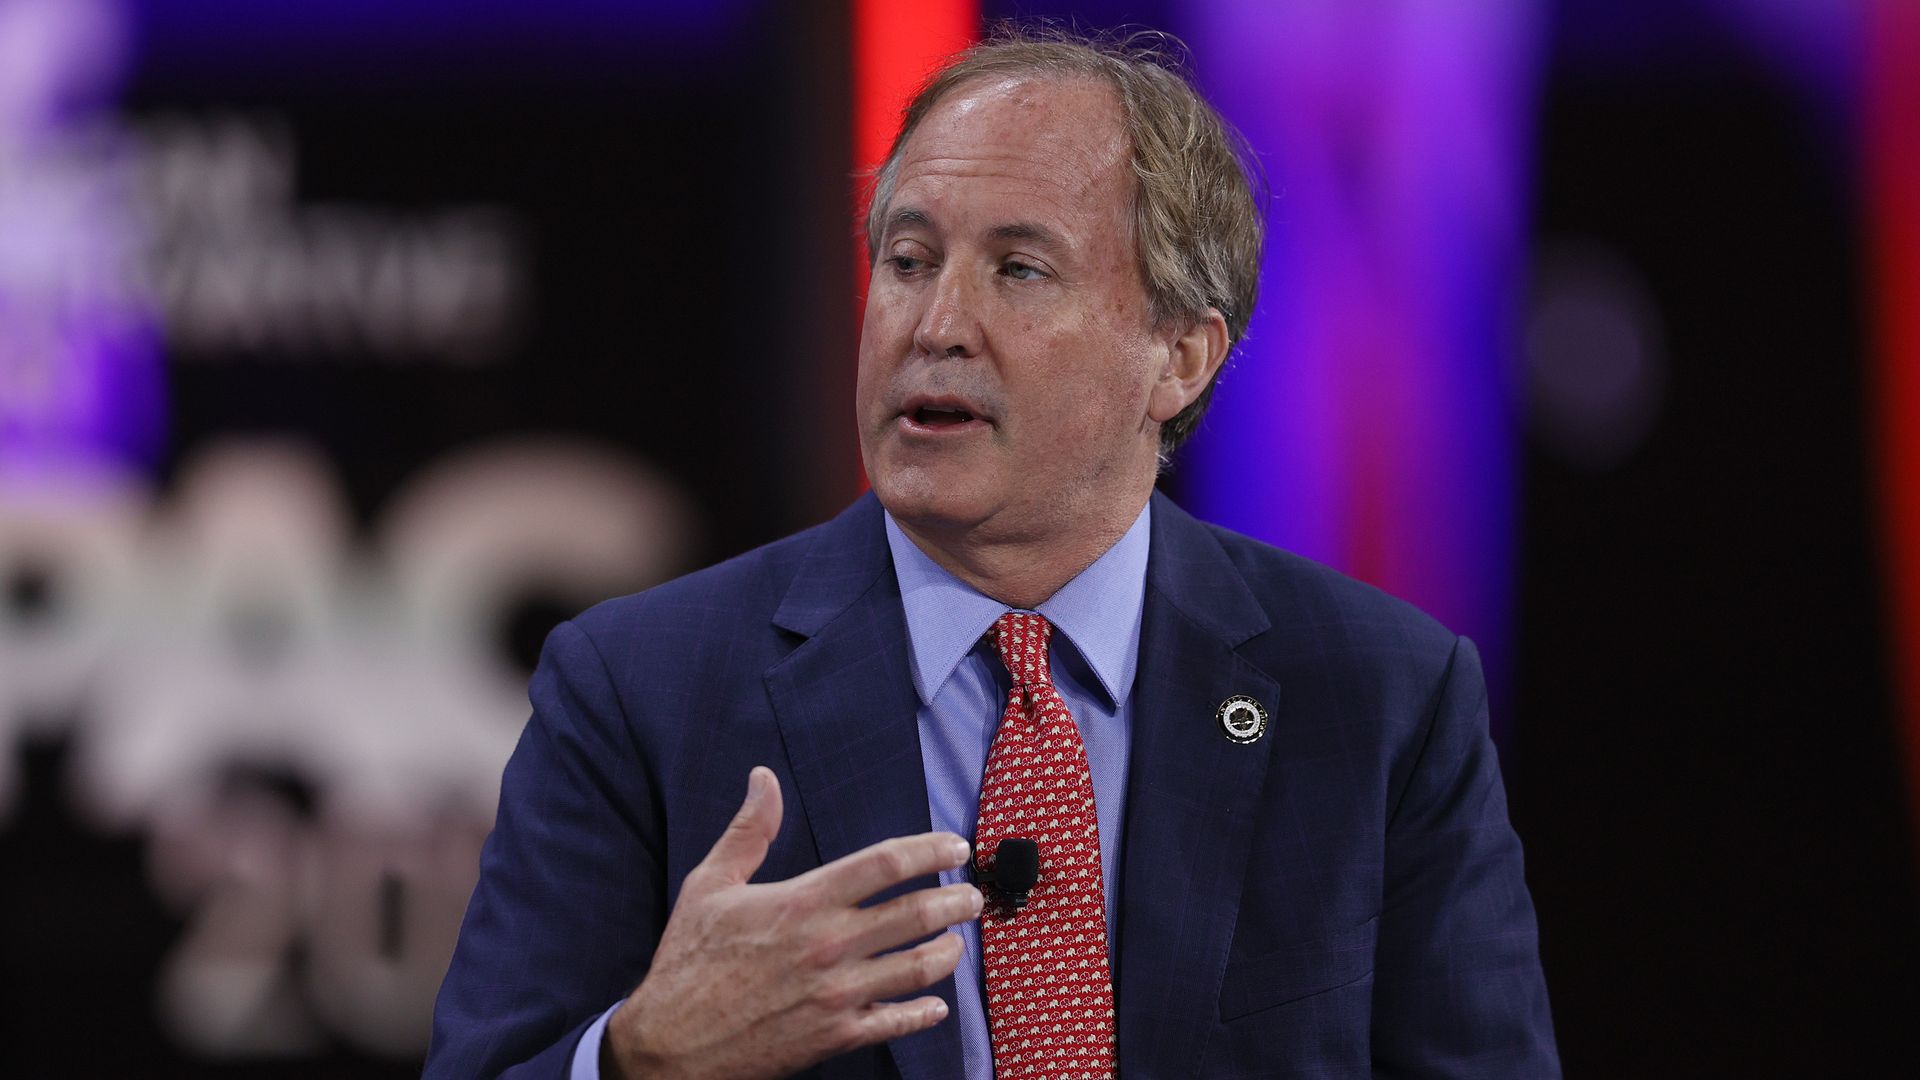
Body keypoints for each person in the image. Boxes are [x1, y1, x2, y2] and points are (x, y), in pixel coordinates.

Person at [427, 28, 1559, 1080]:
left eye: (1018, 270)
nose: (935, 323)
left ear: (1179, 357)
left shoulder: (1378, 699)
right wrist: (640, 1058)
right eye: (910, 260)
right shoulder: (640, 691)